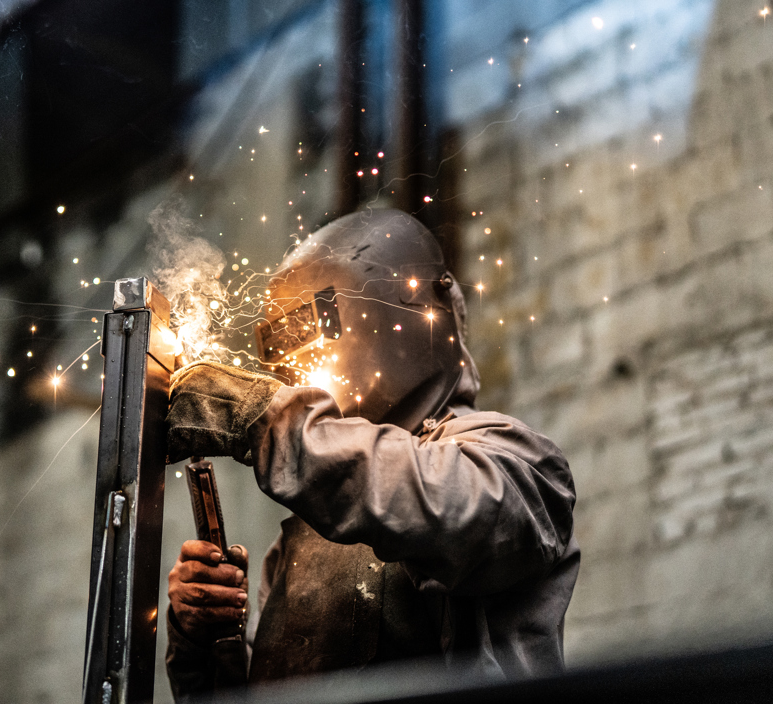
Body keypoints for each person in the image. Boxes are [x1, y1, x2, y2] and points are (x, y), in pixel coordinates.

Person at [164, 209, 579, 699]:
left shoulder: (518, 462)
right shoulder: (300, 540)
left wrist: (261, 416)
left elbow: (439, 504)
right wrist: (202, 638)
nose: (302, 362)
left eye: (318, 327)